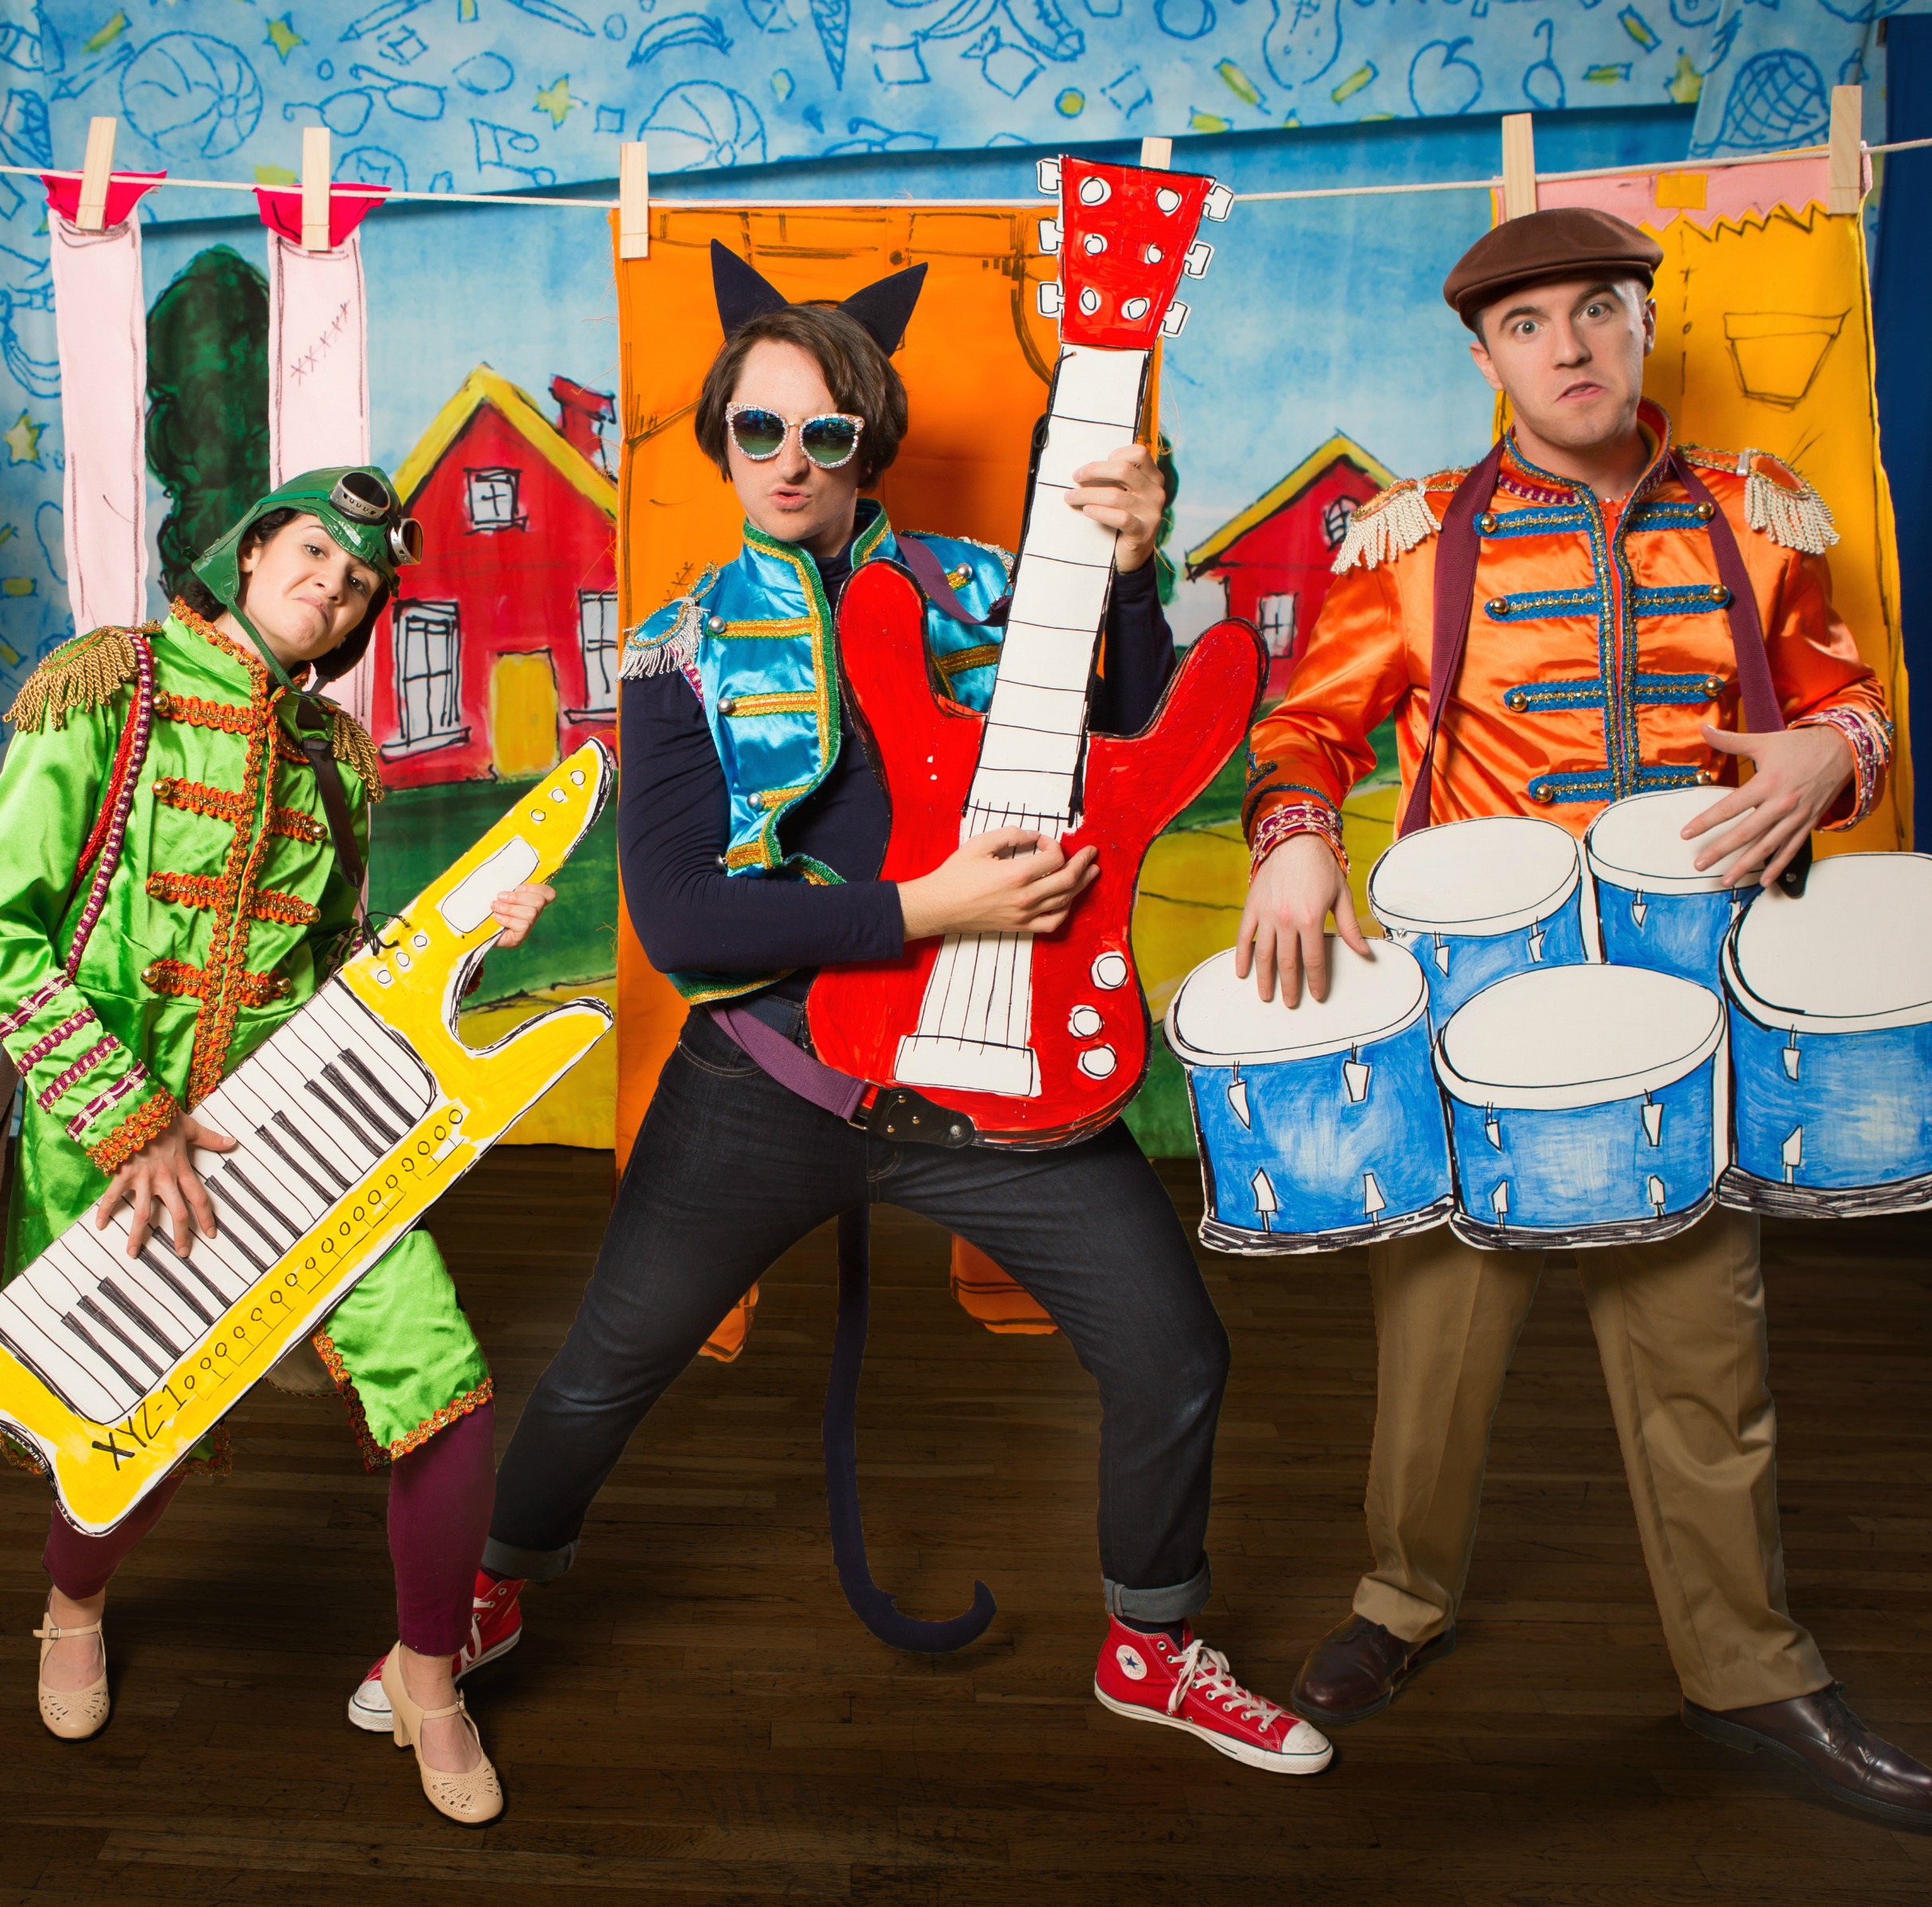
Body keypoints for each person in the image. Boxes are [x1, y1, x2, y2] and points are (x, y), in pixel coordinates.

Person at [345, 244, 1331, 1776]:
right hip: (771, 1083)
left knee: (1175, 1350)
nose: (791, 459)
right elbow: (680, 917)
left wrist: (1133, 576)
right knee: (605, 1365)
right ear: (721, 440)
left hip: (1001, 1080)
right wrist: (923, 910)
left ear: (870, 442)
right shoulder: (677, 646)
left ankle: (1151, 1640)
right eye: (759, 428)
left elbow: (1140, 742)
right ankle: (483, 1593)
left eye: (826, 431)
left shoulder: (997, 591)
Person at [1233, 207, 1932, 1828]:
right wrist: (1291, 841)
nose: (1566, 346)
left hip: (1682, 1014)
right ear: (1483, 356)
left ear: (1640, 324)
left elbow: (1847, 703)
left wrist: (1833, 753)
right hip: (1474, 1012)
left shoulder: (1758, 520)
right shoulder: (1414, 541)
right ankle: (1398, 1600)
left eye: (1596, 311)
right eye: (1526, 324)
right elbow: (1305, 729)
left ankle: (1746, 1668)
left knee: (1704, 1345)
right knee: (1436, 1346)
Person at [0, 468, 553, 1825]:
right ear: (255, 545)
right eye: (316, 553)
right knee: (139, 1429)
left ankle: (429, 1673)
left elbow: (337, 963)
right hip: (116, 1142)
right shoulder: (110, 685)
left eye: (359, 584)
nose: (331, 587)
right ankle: (72, 1604)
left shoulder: (336, 756)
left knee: (443, 1382)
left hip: (300, 1128)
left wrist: (468, 933)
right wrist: (131, 1120)